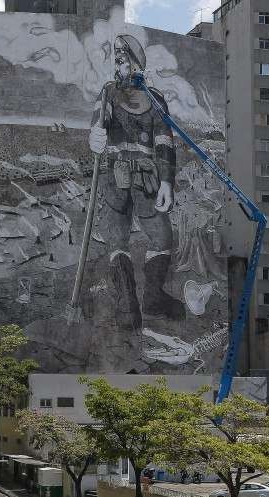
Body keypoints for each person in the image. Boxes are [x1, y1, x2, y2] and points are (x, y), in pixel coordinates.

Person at [87, 34, 185, 326]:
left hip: (145, 176)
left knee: (160, 236)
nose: (118, 57)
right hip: (116, 174)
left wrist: (167, 181)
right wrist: (95, 137)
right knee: (117, 237)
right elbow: (98, 126)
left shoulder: (155, 99)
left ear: (136, 60)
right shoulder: (107, 93)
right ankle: (128, 305)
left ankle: (151, 298)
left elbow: (164, 141)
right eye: (116, 53)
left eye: (123, 53)